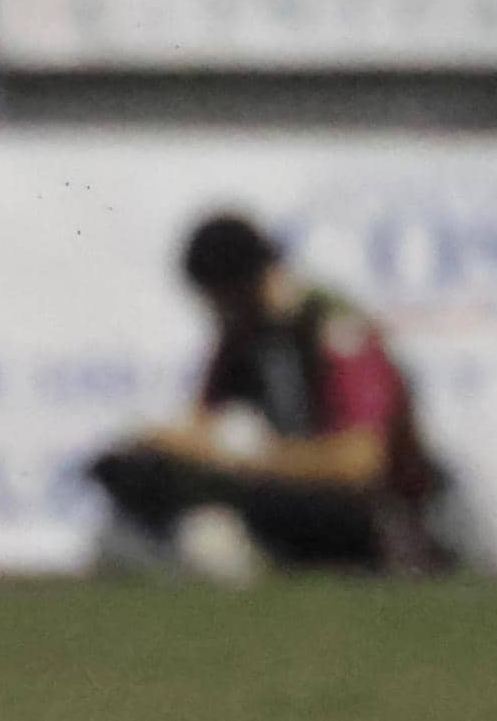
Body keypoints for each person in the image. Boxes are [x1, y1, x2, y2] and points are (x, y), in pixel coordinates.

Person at [86, 213, 451, 581]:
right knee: (139, 476)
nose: (219, 314)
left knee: (222, 511)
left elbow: (360, 464)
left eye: (221, 300)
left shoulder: (336, 332)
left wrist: (237, 458)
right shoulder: (241, 338)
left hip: (371, 515)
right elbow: (205, 421)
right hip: (283, 491)